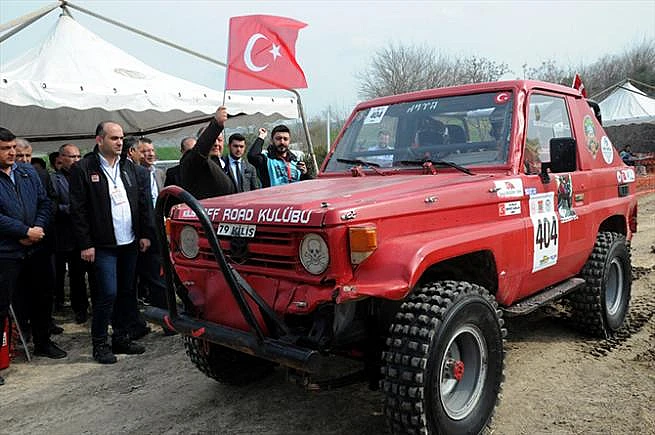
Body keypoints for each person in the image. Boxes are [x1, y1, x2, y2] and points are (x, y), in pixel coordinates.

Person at [69, 121, 152, 364]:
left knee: (126, 292)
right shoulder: (84, 168)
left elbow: (141, 203)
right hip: (102, 244)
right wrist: (85, 243)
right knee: (107, 293)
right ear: (99, 140)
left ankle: (121, 337)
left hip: (129, 242)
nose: (119, 142)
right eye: (114, 138)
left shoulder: (127, 166)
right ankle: (100, 344)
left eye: (121, 138)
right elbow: (78, 210)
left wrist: (144, 234)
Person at [0, 128, 67, 387]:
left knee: (43, 295)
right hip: (7, 251)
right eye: (5, 149)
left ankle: (43, 342)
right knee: (2, 303)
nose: (12, 153)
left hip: (36, 247)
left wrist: (36, 229)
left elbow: (45, 203)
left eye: (13, 147)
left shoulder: (29, 173)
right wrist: (23, 231)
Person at [51, 143, 90, 324]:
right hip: (65, 235)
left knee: (86, 274)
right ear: (61, 158)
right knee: (72, 275)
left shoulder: (85, 175)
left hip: (86, 234)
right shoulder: (54, 179)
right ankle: (76, 307)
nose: (76, 160)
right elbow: (52, 206)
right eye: (71, 157)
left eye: (78, 156)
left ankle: (87, 306)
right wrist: (75, 209)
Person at [179, 106, 235, 199]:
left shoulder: (224, 163)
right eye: (213, 139)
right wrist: (216, 125)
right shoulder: (192, 160)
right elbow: (199, 152)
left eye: (220, 140)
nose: (216, 144)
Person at [247, 125, 312, 187]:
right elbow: (252, 156)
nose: (282, 142)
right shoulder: (266, 160)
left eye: (285, 139)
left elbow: (308, 185)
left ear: (289, 141)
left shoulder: (295, 161)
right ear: (272, 140)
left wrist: (305, 174)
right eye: (278, 139)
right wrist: (262, 136)